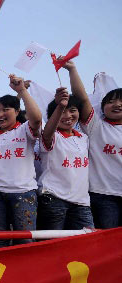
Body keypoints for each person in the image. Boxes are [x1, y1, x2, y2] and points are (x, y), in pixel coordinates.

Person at [0, 75, 42, 248]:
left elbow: (37, 118)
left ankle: (26, 273)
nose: (0, 115)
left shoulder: (25, 130)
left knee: (25, 239)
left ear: (17, 112)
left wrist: (22, 91)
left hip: (24, 193)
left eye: (5, 110)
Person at [38, 84, 93, 230]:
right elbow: (47, 133)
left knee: (87, 245)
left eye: (72, 111)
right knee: (52, 247)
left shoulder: (83, 138)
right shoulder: (51, 135)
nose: (68, 116)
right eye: (63, 112)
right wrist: (60, 106)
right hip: (54, 199)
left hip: (81, 202)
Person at [80, 83, 122, 228]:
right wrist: (72, 69)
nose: (117, 104)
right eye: (111, 102)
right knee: (107, 242)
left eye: (121, 101)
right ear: (102, 108)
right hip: (103, 195)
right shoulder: (96, 126)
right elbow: (83, 99)